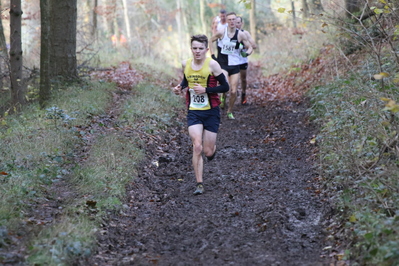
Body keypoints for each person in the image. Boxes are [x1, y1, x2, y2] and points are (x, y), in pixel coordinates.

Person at [173, 34, 229, 195]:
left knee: (207, 151)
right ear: (191, 49)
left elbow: (225, 87)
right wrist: (180, 87)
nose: (197, 51)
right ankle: (199, 184)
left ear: (206, 49)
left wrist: (206, 90)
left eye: (200, 48)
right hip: (194, 112)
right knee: (197, 145)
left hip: (211, 112)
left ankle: (212, 150)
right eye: (194, 48)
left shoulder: (213, 65)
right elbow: (186, 80)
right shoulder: (186, 64)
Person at [209, 12, 253, 120]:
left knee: (233, 91)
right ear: (227, 22)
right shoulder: (221, 32)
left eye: (234, 19)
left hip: (235, 66)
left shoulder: (240, 34)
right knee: (226, 85)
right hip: (223, 64)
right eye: (230, 20)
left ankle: (230, 111)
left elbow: (250, 47)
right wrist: (212, 55)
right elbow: (210, 40)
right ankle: (223, 97)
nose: (232, 21)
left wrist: (246, 53)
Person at [236, 16, 257, 105]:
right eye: (235, 22)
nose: (237, 24)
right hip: (232, 60)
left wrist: (248, 46)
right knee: (233, 79)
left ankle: (243, 94)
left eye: (238, 23)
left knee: (243, 79)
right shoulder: (229, 33)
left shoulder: (245, 33)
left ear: (242, 23)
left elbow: (254, 45)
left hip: (243, 60)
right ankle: (234, 91)